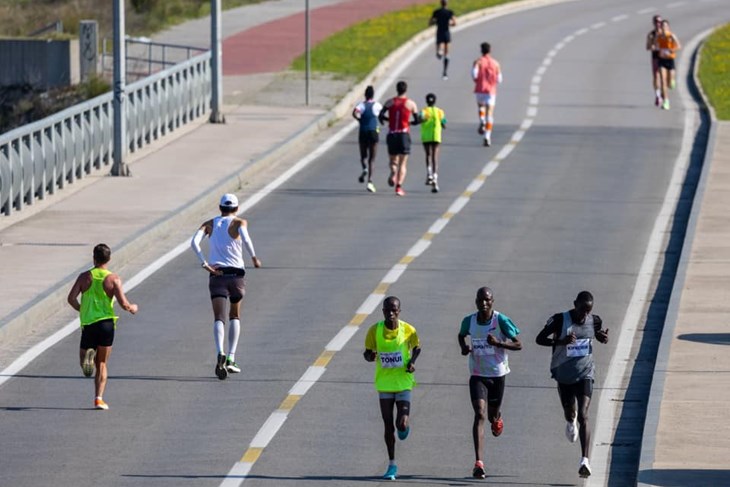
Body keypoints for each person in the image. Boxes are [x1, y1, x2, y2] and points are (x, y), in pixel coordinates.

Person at [535, 291, 609, 479]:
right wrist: (561, 341)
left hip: (585, 373)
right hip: (563, 374)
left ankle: (585, 460)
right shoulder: (559, 320)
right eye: (581, 310)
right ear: (574, 304)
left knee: (584, 415)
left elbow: (597, 334)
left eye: (588, 312)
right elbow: (539, 339)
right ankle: (570, 421)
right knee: (571, 413)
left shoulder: (595, 320)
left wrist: (601, 338)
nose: (584, 315)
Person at [190, 193, 262, 380]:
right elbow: (245, 239)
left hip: (217, 275)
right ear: (236, 208)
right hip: (236, 275)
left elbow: (194, 242)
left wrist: (204, 263)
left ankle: (220, 351)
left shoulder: (209, 224)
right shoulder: (239, 223)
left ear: (220, 207)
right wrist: (253, 257)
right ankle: (231, 357)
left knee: (218, 318)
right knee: (235, 315)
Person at [458, 287, 522, 479]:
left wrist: (499, 344)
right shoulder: (469, 320)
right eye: (480, 300)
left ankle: (498, 418)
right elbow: (461, 335)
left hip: (497, 375)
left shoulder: (500, 320)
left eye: (487, 300)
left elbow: (518, 344)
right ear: (476, 301)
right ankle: (479, 463)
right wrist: (463, 347)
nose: (483, 303)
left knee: (492, 415)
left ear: (492, 301)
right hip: (477, 375)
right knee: (479, 414)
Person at [67, 243, 138, 410]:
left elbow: (71, 298)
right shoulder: (113, 279)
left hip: (89, 324)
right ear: (109, 259)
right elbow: (124, 304)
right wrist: (133, 308)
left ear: (93, 258)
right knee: (103, 364)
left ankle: (88, 360)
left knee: (84, 364)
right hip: (106, 324)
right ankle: (99, 398)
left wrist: (82, 309)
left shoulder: (84, 277)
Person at [364, 296, 421, 480]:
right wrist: (370, 356)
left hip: (403, 382)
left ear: (399, 311)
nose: (390, 313)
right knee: (388, 425)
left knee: (401, 423)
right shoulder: (375, 331)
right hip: (384, 384)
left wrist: (412, 362)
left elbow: (417, 347)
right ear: (382, 311)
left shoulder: (407, 329)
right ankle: (392, 465)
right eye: (387, 310)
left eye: (394, 310)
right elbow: (367, 352)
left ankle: (404, 428)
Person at [379, 81, 419, 197]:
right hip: (403, 134)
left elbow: (381, 115)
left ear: (397, 89)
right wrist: (410, 122)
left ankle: (392, 172)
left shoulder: (390, 102)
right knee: (403, 163)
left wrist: (387, 120)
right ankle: (399, 186)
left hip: (392, 134)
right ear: (405, 90)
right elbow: (416, 120)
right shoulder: (410, 104)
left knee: (393, 160)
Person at [352, 85, 382, 193]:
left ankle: (364, 168)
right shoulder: (377, 105)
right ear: (373, 95)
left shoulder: (362, 105)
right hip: (374, 131)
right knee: (372, 158)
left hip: (363, 131)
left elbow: (354, 112)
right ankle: (370, 181)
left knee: (363, 156)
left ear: (365, 95)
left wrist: (359, 120)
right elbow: (382, 115)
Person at [472, 42, 502, 147]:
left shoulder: (478, 62)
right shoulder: (496, 63)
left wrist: (477, 80)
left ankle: (482, 121)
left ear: (481, 50)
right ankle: (487, 137)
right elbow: (500, 79)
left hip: (480, 89)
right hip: (491, 91)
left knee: (481, 107)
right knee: (490, 113)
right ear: (490, 50)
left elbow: (474, 74)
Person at [419, 93, 447, 193]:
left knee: (428, 155)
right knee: (435, 156)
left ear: (426, 101)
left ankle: (429, 173)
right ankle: (435, 176)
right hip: (436, 136)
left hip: (426, 136)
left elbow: (419, 119)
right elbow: (444, 123)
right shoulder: (440, 112)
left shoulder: (424, 111)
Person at [656, 19, 681, 110]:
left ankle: (672, 81)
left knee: (670, 83)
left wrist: (673, 50)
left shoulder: (671, 36)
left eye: (666, 26)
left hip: (670, 60)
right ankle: (666, 101)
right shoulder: (659, 36)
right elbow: (656, 45)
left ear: (668, 27)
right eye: (662, 26)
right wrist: (658, 49)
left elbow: (679, 46)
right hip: (662, 60)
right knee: (663, 81)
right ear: (661, 28)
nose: (664, 28)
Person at [429, 0, 456, 79]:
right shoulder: (450, 12)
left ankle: (439, 52)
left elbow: (430, 22)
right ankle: (445, 72)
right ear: (447, 3)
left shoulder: (436, 12)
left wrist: (436, 22)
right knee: (447, 53)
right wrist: (449, 23)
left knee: (439, 47)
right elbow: (454, 23)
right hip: (446, 32)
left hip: (439, 32)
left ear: (440, 3)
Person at [646, 15, 664, 107]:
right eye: (656, 22)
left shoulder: (665, 33)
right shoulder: (651, 35)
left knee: (664, 78)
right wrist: (651, 47)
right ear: (654, 23)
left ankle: (663, 94)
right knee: (656, 76)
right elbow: (647, 47)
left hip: (665, 57)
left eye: (660, 22)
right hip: (656, 57)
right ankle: (658, 95)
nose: (658, 24)